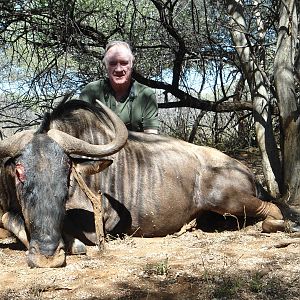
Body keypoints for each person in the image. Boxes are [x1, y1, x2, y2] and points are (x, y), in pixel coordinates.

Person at [79, 41, 159, 134]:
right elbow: (80, 130)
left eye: (124, 63)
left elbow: (151, 137)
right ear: (106, 66)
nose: (119, 69)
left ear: (132, 64)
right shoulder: (90, 91)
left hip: (136, 148)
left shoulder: (146, 95)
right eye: (112, 63)